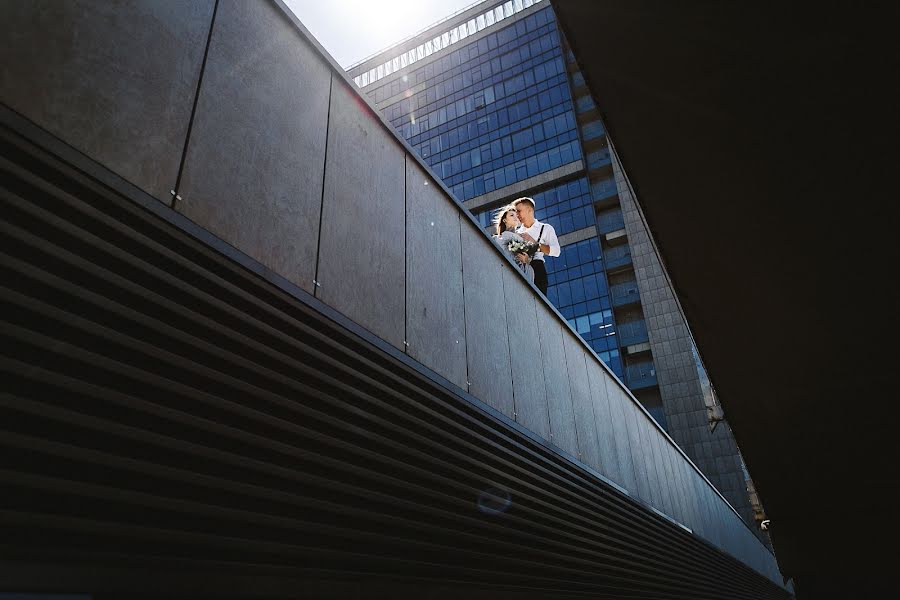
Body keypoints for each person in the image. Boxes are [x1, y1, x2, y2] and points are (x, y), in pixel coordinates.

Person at [513, 196, 560, 295]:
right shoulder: (516, 233)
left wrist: (535, 244)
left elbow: (556, 251)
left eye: (519, 211)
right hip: (520, 269)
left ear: (529, 210)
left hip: (537, 268)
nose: (517, 215)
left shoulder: (545, 228)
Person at [491, 203, 534, 283]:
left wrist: (527, 259)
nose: (515, 217)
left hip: (525, 272)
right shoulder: (503, 236)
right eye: (512, 215)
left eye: (517, 216)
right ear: (505, 220)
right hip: (512, 272)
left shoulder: (520, 237)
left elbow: (529, 255)